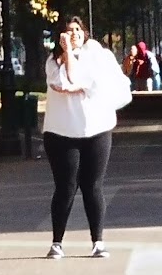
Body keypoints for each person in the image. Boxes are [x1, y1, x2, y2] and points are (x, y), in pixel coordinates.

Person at [43, 14, 130, 259]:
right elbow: (67, 82)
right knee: (66, 187)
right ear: (60, 37)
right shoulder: (52, 62)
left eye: (78, 30)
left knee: (93, 186)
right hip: (61, 133)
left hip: (97, 129)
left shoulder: (98, 56)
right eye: (69, 31)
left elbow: (93, 83)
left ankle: (98, 241)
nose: (74, 34)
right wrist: (68, 54)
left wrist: (81, 85)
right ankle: (57, 242)